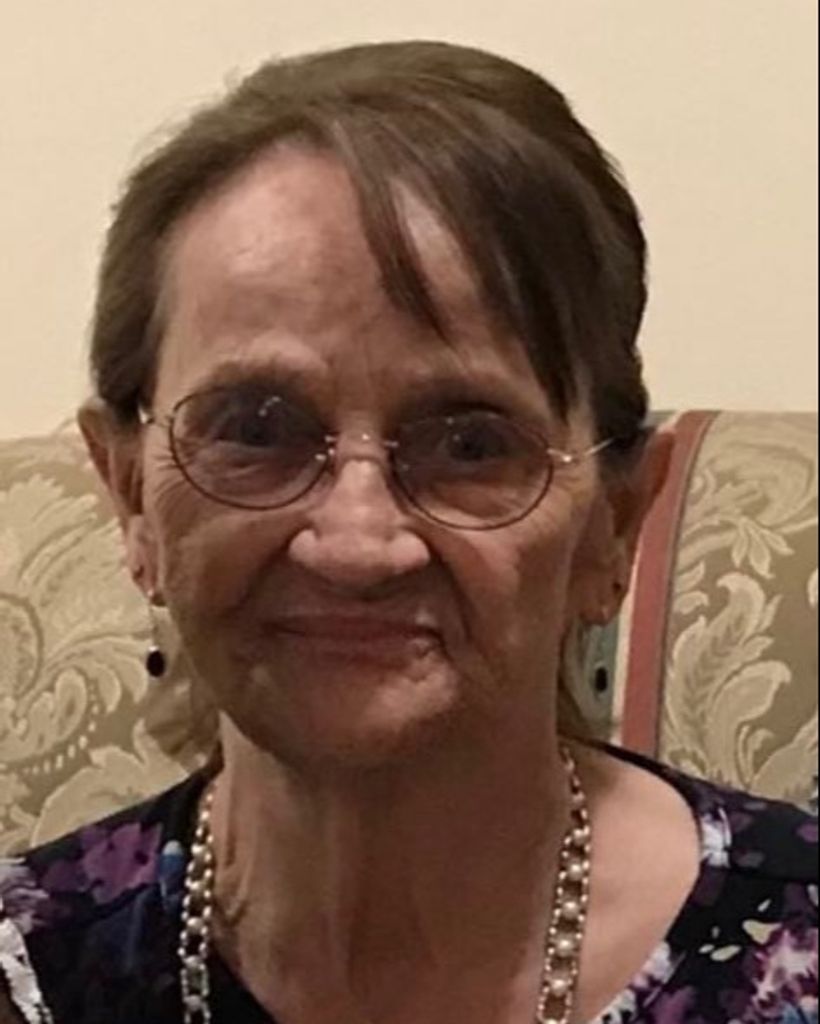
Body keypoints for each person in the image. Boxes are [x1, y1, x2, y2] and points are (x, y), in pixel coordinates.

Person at [0, 40, 816, 1024]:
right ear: (130, 493)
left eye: (470, 444)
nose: (357, 544)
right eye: (255, 429)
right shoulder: (30, 970)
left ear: (614, 523)